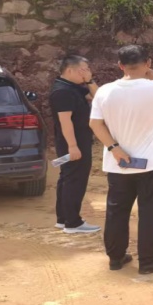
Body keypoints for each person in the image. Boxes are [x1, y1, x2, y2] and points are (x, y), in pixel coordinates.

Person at [89, 45, 153, 273]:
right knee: (149, 213)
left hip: (118, 163)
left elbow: (95, 124)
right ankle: (149, 261)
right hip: (152, 163)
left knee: (116, 211)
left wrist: (114, 148)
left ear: (120, 65)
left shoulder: (105, 91)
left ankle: (115, 257)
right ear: (148, 63)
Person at [49, 55, 99, 234]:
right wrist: (72, 146)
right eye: (83, 70)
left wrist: (89, 81)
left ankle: (63, 219)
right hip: (73, 143)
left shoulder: (73, 87)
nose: (86, 73)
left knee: (68, 178)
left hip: (78, 141)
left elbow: (99, 97)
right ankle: (73, 222)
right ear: (70, 70)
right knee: (75, 181)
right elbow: (65, 121)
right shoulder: (62, 92)